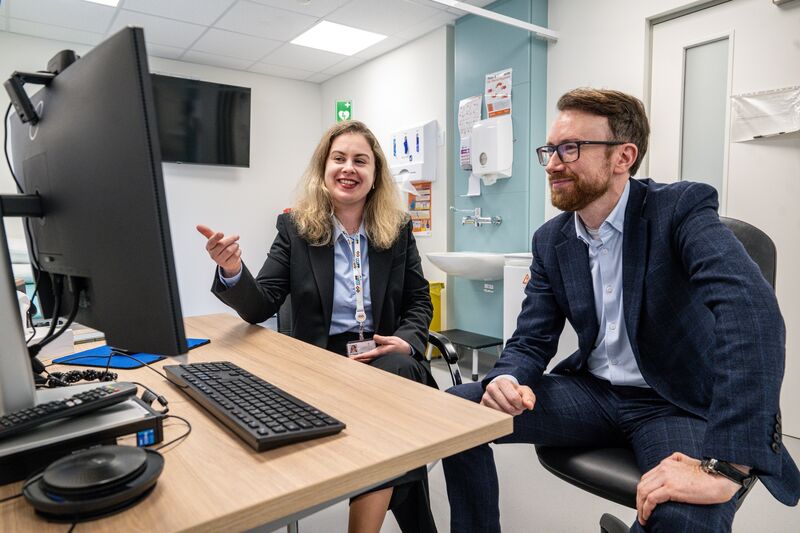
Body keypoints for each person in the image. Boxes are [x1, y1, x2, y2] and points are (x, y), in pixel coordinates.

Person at [442, 88, 799, 532]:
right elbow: (532, 337)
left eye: (570, 148)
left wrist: (729, 464)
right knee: (455, 414)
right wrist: (508, 378)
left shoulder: (679, 210)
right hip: (593, 395)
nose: (553, 163)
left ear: (623, 156)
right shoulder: (551, 240)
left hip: (672, 403)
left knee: (682, 519)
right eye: (550, 149)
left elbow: (751, 312)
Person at [198, 120, 437, 533]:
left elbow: (418, 299)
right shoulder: (294, 228)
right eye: (339, 158)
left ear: (375, 174)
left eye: (360, 160)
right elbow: (261, 305)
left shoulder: (397, 230)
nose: (349, 168)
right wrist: (234, 270)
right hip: (320, 362)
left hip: (383, 351)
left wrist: (407, 341)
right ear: (323, 169)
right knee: (393, 421)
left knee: (396, 374)